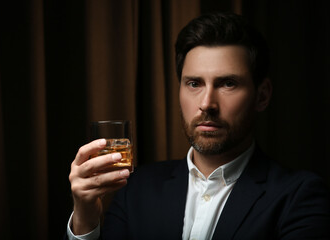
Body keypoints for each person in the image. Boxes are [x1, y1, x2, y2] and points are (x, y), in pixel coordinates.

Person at [66, 12, 330, 240]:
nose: (207, 104)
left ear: (262, 95)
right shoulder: (136, 189)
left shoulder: (298, 196)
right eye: (194, 83)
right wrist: (85, 217)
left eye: (228, 83)